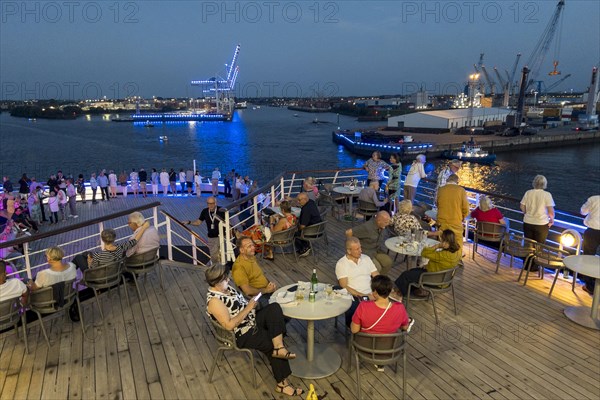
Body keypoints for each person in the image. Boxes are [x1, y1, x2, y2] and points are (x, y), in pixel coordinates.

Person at [205, 264, 303, 396]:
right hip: (240, 333)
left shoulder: (226, 289)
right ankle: (282, 384)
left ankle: (279, 347)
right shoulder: (214, 301)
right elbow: (229, 325)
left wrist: (251, 302)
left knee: (274, 308)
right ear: (215, 283)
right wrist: (248, 308)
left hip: (251, 320)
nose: (228, 280)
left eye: (227, 277)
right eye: (224, 279)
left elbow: (240, 304)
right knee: (270, 342)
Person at [394, 230, 461, 298]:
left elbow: (424, 253)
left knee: (406, 275)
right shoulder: (457, 252)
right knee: (413, 271)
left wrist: (437, 246)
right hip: (444, 279)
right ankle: (408, 291)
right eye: (442, 241)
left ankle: (398, 294)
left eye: (444, 241)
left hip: (434, 279)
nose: (442, 243)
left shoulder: (443, 255)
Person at [336, 237, 380, 326]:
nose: (360, 251)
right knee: (354, 308)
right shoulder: (341, 264)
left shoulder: (366, 258)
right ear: (349, 251)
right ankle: (353, 330)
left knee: (390, 302)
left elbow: (377, 276)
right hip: (355, 296)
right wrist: (364, 296)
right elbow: (344, 286)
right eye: (357, 249)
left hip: (372, 293)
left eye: (360, 247)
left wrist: (379, 291)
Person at [72, 222, 151, 271]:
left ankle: (65, 278)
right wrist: (144, 227)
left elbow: (91, 270)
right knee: (86, 254)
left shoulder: (98, 255)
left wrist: (89, 262)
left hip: (98, 279)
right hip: (113, 274)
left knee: (79, 257)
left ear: (102, 240)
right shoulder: (121, 247)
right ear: (114, 238)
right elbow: (135, 240)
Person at [232, 237, 278, 301]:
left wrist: (270, 284)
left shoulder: (251, 256)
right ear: (241, 250)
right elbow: (247, 291)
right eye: (249, 246)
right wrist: (266, 290)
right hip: (258, 297)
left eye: (253, 245)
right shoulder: (239, 267)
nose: (253, 248)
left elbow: (259, 274)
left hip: (266, 290)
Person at [185, 197, 225, 265]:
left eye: (212, 203)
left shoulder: (221, 210)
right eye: (209, 203)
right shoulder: (205, 211)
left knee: (222, 253)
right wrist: (189, 222)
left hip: (222, 236)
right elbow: (198, 222)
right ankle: (215, 265)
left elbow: (228, 222)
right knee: (214, 254)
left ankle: (218, 266)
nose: (211, 205)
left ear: (216, 203)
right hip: (211, 237)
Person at [436, 174, 469, 255]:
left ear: (447, 180)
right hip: (455, 221)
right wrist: (463, 217)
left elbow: (437, 203)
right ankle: (456, 259)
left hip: (441, 221)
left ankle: (442, 258)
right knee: (457, 242)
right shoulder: (461, 190)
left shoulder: (441, 189)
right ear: (457, 181)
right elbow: (465, 208)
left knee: (443, 241)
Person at [520, 175, 555, 244]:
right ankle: (536, 254)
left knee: (528, 244)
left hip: (528, 222)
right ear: (544, 184)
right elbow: (551, 212)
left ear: (534, 183)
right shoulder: (547, 195)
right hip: (541, 224)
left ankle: (528, 254)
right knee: (539, 245)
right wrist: (551, 220)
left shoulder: (528, 192)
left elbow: (522, 206)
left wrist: (526, 213)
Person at [580, 195, 600, 295]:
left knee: (588, 258)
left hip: (592, 231)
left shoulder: (594, 199)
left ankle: (590, 286)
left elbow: (583, 212)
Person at [295, 192, 322, 257]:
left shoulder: (306, 209)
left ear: (305, 199)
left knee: (293, 233)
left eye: (299, 200)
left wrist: (296, 226)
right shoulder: (311, 202)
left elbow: (302, 226)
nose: (298, 202)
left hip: (312, 232)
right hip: (319, 228)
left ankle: (304, 248)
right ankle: (305, 245)